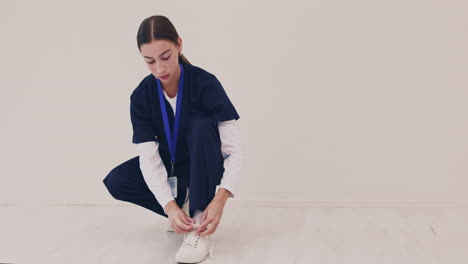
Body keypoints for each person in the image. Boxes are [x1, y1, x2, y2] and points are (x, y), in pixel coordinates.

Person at [102, 15, 242, 263]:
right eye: (150, 61)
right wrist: (169, 206)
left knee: (200, 126)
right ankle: (183, 211)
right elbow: (148, 156)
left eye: (165, 57)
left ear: (179, 44)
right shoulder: (141, 96)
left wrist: (221, 198)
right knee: (117, 180)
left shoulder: (206, 83)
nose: (160, 69)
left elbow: (233, 151)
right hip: (173, 167)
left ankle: (199, 222)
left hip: (205, 164)